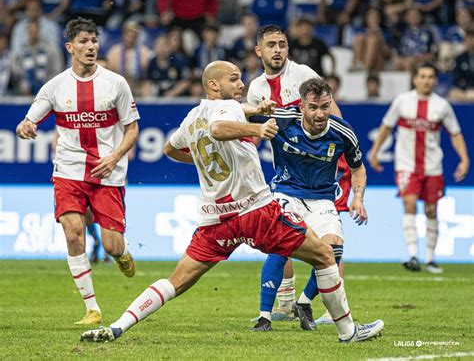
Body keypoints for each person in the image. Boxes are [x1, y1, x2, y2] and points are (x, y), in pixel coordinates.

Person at [80, 60, 384, 343]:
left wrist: (205, 156)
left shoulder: (192, 117)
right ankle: (348, 331)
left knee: (176, 281)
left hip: (216, 221)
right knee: (325, 256)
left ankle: (118, 326)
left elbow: (171, 150)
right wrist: (256, 128)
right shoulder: (227, 109)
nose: (241, 84)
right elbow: (219, 127)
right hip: (255, 212)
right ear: (213, 85)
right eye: (234, 79)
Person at [15, 17, 139, 325]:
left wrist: (115, 156)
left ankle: (121, 254)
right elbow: (29, 121)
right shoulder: (56, 86)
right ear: (70, 47)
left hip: (107, 173)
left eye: (94, 41)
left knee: (112, 245)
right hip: (68, 171)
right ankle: (92, 309)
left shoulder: (115, 83)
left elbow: (133, 129)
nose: (90, 47)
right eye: (83, 42)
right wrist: (25, 126)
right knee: (73, 234)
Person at [247, 24, 351, 323]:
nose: (277, 50)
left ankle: (334, 310)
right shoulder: (256, 88)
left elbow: (332, 112)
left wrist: (341, 157)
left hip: (323, 170)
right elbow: (256, 132)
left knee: (332, 242)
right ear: (259, 51)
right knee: (282, 239)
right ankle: (287, 304)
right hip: (286, 173)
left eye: (282, 44)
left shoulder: (303, 73)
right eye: (271, 45)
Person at [249, 78, 369, 332]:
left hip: (322, 199)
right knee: (281, 246)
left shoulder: (343, 132)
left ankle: (303, 303)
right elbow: (241, 117)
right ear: (302, 106)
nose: (320, 114)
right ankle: (264, 317)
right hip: (285, 193)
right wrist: (258, 121)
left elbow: (358, 169)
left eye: (325, 107)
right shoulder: (283, 119)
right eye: (313, 107)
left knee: (334, 248)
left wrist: (357, 197)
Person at [369, 62, 470, 273]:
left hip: (433, 166)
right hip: (406, 165)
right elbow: (386, 126)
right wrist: (375, 152)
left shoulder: (442, 106)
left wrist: (464, 159)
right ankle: (413, 255)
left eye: (430, 76)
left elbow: (456, 133)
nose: (426, 80)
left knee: (432, 210)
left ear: (435, 80)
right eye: (422, 76)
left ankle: (431, 259)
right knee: (409, 203)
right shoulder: (402, 101)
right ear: (415, 79)